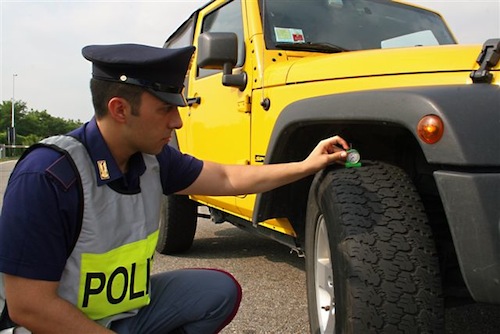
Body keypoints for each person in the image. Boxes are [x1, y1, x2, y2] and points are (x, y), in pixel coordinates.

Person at [0, 43, 349, 334]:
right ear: (120, 109)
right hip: (55, 325)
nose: (178, 121)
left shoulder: (154, 159)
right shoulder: (47, 176)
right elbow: (29, 307)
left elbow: (227, 179)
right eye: (166, 108)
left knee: (216, 292)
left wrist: (306, 165)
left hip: (122, 318)